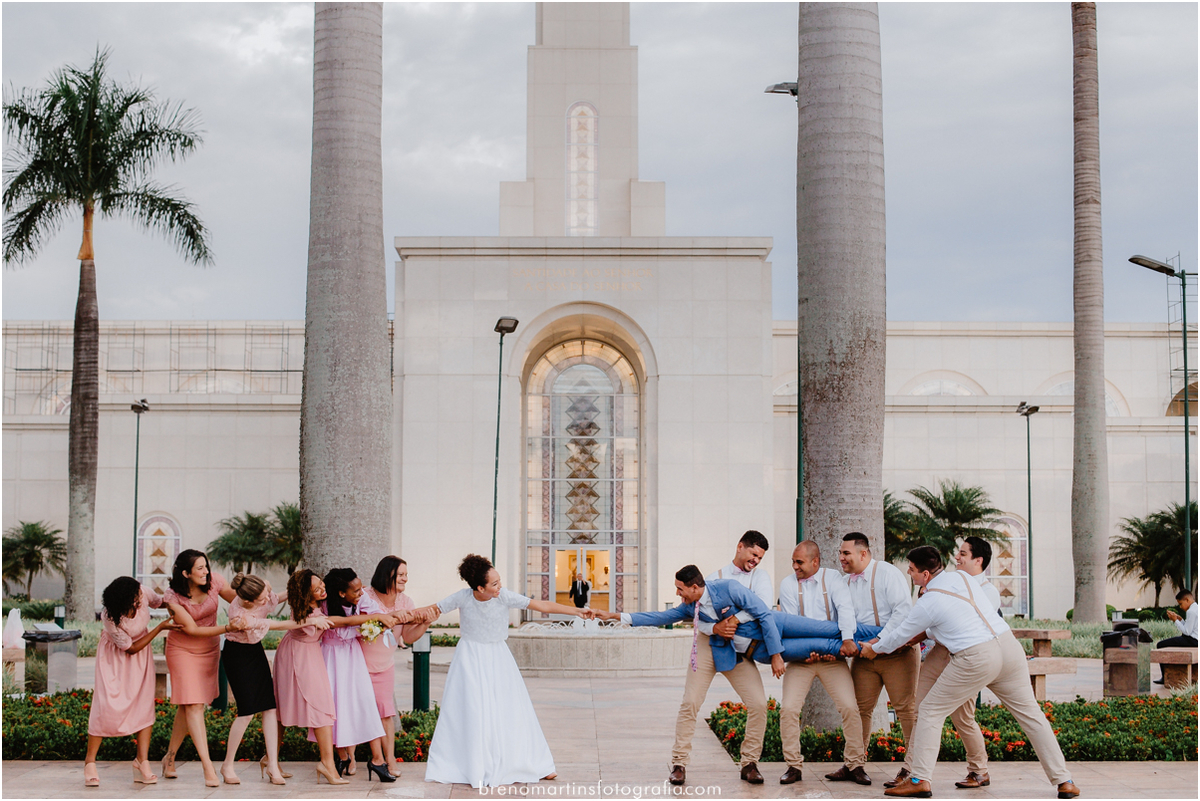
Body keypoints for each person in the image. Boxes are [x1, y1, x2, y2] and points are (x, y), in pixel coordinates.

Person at [860, 546, 1079, 800]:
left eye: (911, 570)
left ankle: (919, 779)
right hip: (1008, 647)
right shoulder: (962, 577)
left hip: (976, 656)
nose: (909, 574)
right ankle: (1065, 780)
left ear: (926, 574)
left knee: (930, 710)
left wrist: (875, 649)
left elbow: (902, 634)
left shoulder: (928, 601)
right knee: (1031, 715)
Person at [597, 563, 786, 787]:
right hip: (706, 647)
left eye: (680, 589)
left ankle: (750, 763)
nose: (678, 594)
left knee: (758, 704)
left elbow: (762, 611)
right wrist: (615, 616)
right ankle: (679, 764)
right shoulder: (688, 606)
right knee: (690, 703)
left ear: (695, 587)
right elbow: (660, 617)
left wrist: (776, 654)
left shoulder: (729, 588)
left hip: (733, 648)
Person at [424, 554, 590, 788]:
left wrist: (576, 612)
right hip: (470, 659)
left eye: (499, 580)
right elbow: (433, 609)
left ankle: (533, 763)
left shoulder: (504, 597)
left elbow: (542, 605)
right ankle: (473, 764)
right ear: (479, 587)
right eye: (494, 583)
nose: (499, 586)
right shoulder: (462, 597)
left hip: (499, 658)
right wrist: (397, 617)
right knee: (472, 709)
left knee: (511, 708)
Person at [890, 536, 1003, 790]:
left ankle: (979, 770)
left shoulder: (987, 592)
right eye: (958, 553)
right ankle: (910, 769)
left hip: (966, 657)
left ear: (978, 560)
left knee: (962, 717)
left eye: (963, 553)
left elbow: (960, 624)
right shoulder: (952, 581)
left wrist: (903, 639)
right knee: (920, 708)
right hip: (940, 652)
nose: (957, 557)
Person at [776, 540, 871, 786]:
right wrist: (813, 649)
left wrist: (845, 641)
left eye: (800, 562)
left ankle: (855, 764)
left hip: (833, 658)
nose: (794, 567)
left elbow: (846, 610)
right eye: (793, 562)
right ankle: (793, 766)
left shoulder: (834, 579)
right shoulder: (788, 584)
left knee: (850, 708)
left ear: (815, 561)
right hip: (802, 658)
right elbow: (791, 625)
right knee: (788, 710)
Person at [839, 532, 918, 785]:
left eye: (846, 553)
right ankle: (854, 764)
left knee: (905, 710)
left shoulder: (887, 573)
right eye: (841, 553)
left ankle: (913, 769)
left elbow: (902, 611)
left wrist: (879, 642)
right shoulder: (845, 582)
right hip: (864, 657)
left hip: (897, 654)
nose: (841, 557)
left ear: (863, 554)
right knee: (859, 709)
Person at [160, 550, 244, 788]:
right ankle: (208, 767)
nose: (206, 571)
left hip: (209, 649)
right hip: (182, 650)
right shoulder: (172, 597)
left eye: (206, 566)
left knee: (189, 704)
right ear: (185, 573)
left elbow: (239, 600)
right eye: (199, 568)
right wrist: (228, 628)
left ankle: (170, 758)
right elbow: (192, 630)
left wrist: (264, 597)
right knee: (194, 705)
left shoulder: (215, 581)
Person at [83, 577, 178, 787]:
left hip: (141, 659)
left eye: (138, 595)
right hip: (115, 660)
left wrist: (177, 598)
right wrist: (160, 628)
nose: (139, 600)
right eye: (134, 599)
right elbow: (130, 648)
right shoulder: (110, 617)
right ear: (121, 601)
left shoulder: (143, 592)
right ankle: (90, 762)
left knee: (144, 706)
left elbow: (160, 602)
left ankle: (141, 762)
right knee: (105, 707)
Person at [219, 574, 309, 786]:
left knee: (270, 707)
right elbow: (274, 624)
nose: (267, 600)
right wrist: (308, 621)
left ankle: (272, 764)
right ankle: (227, 765)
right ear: (249, 601)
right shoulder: (239, 616)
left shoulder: (258, 594)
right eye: (262, 598)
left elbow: (277, 597)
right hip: (236, 656)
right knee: (247, 712)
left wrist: (299, 588)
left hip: (254, 652)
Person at [319, 567, 406, 782]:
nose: (362, 592)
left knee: (365, 703)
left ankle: (377, 759)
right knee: (335, 707)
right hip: (331, 657)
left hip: (353, 656)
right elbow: (342, 630)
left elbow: (376, 611)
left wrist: (377, 617)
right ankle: (342, 756)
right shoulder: (324, 606)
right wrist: (366, 623)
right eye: (356, 590)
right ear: (341, 593)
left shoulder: (362, 597)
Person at [360, 555, 434, 777]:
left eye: (406, 575)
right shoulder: (366, 596)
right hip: (359, 664)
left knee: (385, 712)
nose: (405, 579)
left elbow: (409, 637)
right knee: (366, 712)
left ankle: (389, 760)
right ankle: (369, 759)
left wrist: (425, 622)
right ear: (387, 574)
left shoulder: (406, 602)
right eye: (401, 575)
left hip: (385, 665)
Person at [272, 569, 342, 785]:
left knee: (316, 706)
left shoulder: (316, 607)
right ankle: (325, 764)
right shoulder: (305, 612)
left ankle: (326, 764)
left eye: (322, 585)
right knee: (311, 706)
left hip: (308, 654)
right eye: (316, 589)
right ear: (305, 593)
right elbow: (324, 622)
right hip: (296, 657)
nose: (322, 590)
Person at [1155, 589, 1197, 684]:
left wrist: (1175, 621)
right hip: (1194, 640)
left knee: (1161, 645)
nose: (1180, 607)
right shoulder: (1196, 608)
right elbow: (1190, 628)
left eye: (1181, 603)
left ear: (1187, 600)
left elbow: (1187, 631)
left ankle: (1164, 677)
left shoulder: (1191, 611)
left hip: (1192, 641)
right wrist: (1181, 620)